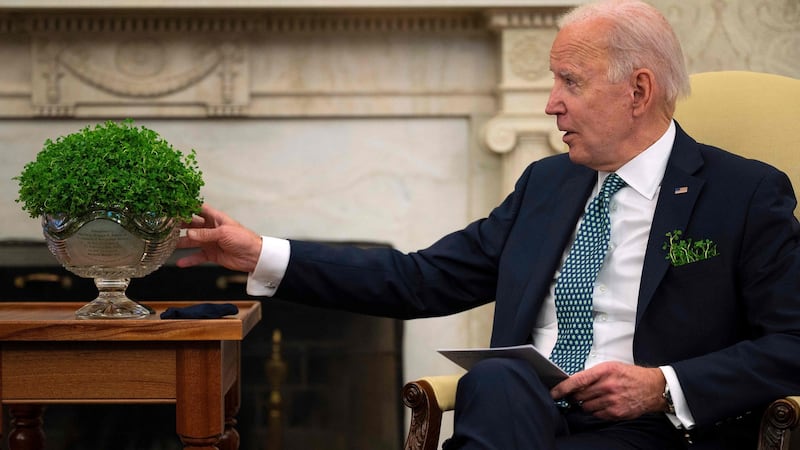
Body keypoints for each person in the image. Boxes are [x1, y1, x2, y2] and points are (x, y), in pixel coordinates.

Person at [176, 0, 800, 448]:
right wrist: (256, 252)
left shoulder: (744, 194)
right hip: (524, 412)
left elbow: (790, 344)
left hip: (646, 429)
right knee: (499, 378)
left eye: (569, 82)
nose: (551, 102)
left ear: (638, 90)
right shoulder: (547, 184)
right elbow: (420, 279)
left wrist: (662, 385)